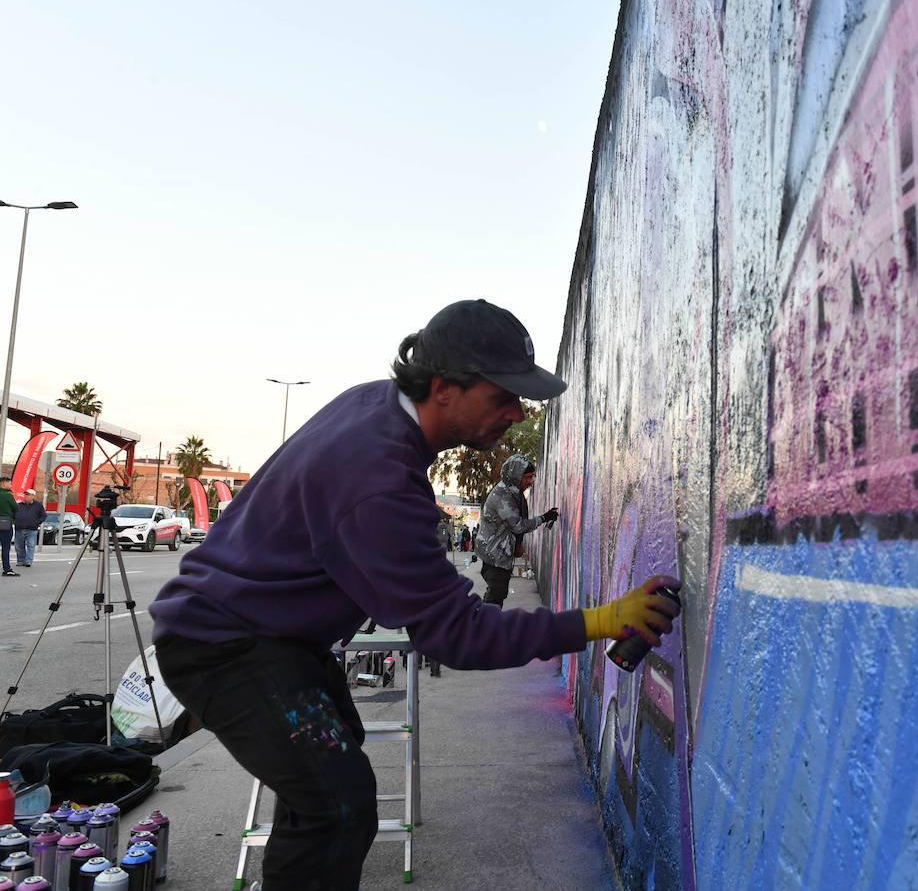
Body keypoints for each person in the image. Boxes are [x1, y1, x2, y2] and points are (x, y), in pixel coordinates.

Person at [147, 299, 680, 891]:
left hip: (272, 636)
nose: (516, 411)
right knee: (336, 807)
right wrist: (599, 620)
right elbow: (457, 633)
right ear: (444, 387)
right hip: (226, 643)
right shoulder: (376, 477)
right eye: (502, 395)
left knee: (326, 789)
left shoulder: (375, 407)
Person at [475, 455, 556, 607]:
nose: (530, 482)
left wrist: (517, 545)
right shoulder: (503, 495)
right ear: (516, 475)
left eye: (532, 477)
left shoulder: (513, 492)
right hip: (495, 555)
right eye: (527, 477)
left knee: (496, 595)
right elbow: (518, 525)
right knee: (495, 597)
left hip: (497, 553)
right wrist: (544, 518)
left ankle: (484, 624)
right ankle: (482, 626)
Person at [14, 489, 45, 567]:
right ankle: (20, 561)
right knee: (19, 546)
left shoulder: (38, 505)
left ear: (33, 496)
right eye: (25, 494)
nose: (26, 496)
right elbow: (13, 514)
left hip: (32, 529)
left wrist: (36, 523)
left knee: (31, 545)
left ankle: (28, 561)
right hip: (19, 528)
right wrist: (15, 521)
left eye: (28, 494)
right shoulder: (19, 505)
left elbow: (43, 516)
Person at [0, 477, 17, 577]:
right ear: (4, 483)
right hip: (4, 522)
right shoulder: (7, 495)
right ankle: (7, 569)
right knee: (6, 547)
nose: (11, 485)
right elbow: (16, 508)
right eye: (9, 483)